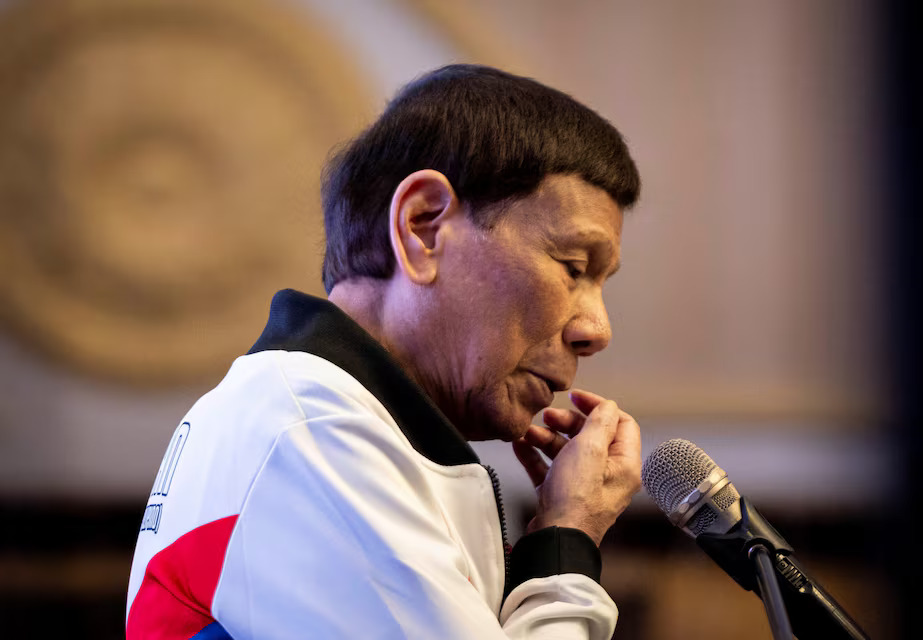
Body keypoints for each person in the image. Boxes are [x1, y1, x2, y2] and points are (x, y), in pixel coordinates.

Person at [125, 64, 644, 640]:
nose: (597, 328)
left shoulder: (318, 421)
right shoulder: (312, 431)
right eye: (573, 267)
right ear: (422, 227)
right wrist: (566, 540)